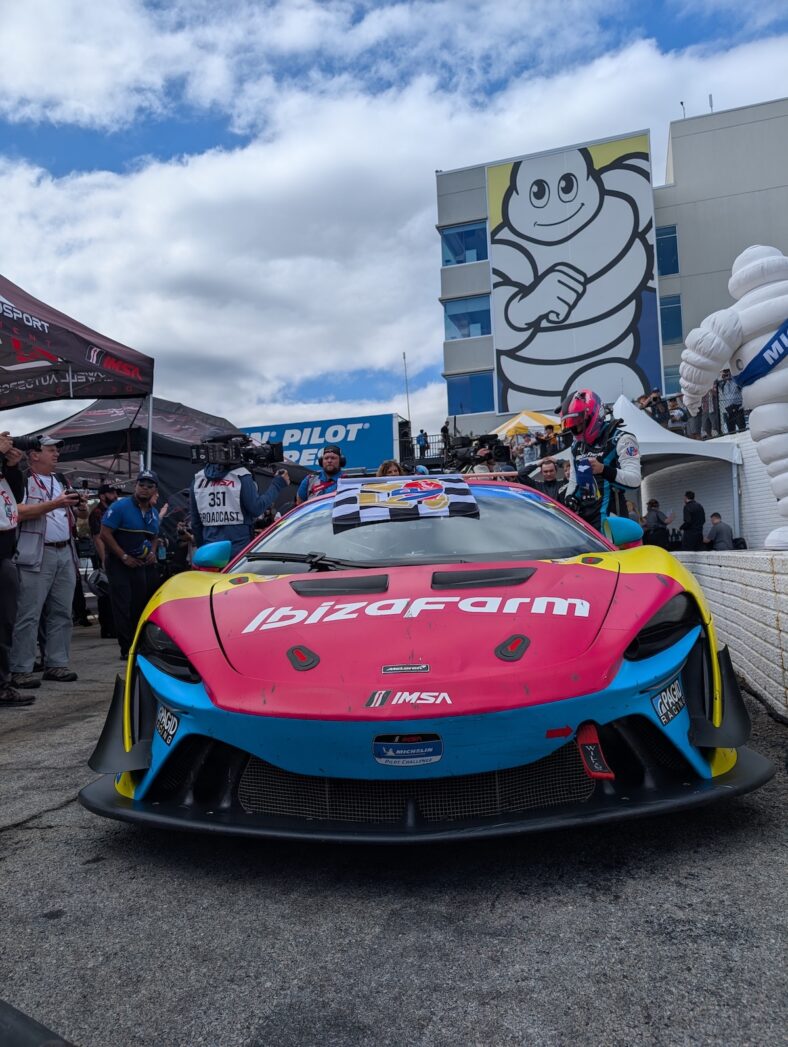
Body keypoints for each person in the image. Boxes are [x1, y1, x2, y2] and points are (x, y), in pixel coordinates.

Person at [10, 436, 86, 689]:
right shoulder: (21, 479)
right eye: (50, 450)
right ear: (34, 455)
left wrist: (81, 508)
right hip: (36, 552)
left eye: (56, 451)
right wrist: (55, 503)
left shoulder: (60, 480)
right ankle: (20, 668)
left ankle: (56, 664)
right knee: (28, 613)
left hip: (65, 550)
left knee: (62, 612)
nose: (56, 454)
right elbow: (16, 512)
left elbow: (76, 515)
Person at [190, 434, 289, 556]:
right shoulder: (241, 475)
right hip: (238, 554)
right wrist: (277, 484)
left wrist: (204, 549)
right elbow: (256, 508)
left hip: (210, 553)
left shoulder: (198, 480)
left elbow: (195, 523)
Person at [559, 388, 642, 533]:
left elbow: (635, 480)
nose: (575, 429)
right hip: (585, 521)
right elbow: (574, 480)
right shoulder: (576, 446)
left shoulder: (622, 439)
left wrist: (603, 470)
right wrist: (570, 498)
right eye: (571, 424)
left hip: (611, 518)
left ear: (594, 415)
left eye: (578, 423)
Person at [100, 470, 162, 661]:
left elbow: (154, 537)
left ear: (155, 490)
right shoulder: (120, 506)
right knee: (122, 606)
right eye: (141, 485)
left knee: (139, 604)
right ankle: (126, 648)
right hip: (119, 563)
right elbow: (104, 533)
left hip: (139, 564)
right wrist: (123, 555)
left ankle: (138, 644)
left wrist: (152, 552)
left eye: (149, 486)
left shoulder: (152, 513)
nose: (144, 489)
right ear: (135, 486)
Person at [0, 433, 29, 706]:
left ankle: (2, 685)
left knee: (5, 622)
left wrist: (11, 467)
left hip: (4, 554)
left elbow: (14, 500)